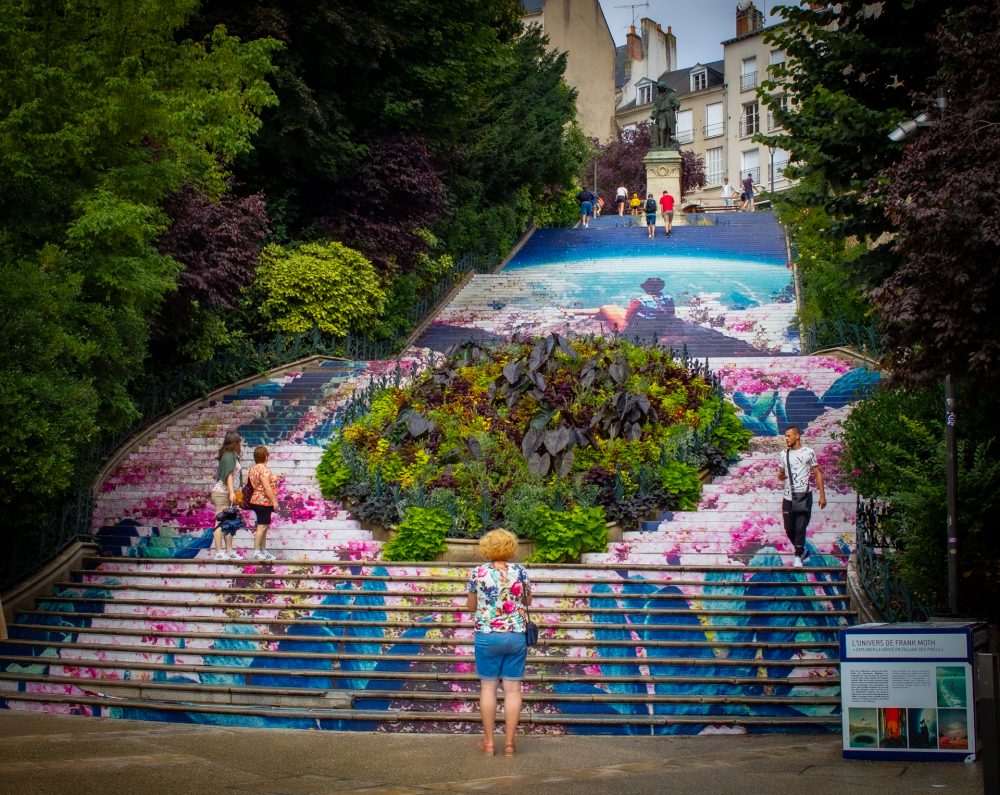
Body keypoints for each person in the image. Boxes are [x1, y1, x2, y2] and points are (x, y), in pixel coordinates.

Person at [466, 529, 532, 757]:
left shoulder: (478, 572)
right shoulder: (520, 571)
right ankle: (510, 745)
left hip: (487, 634)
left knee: (488, 687)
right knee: (513, 689)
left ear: (486, 547)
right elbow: (528, 601)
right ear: (511, 547)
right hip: (515, 635)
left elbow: (471, 606)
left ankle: (489, 743)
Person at [777, 426, 826, 567]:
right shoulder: (783, 454)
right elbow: (781, 473)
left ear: (797, 436)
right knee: (789, 528)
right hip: (788, 497)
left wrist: (822, 496)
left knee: (800, 528)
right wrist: (780, 476)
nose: (786, 438)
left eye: (789, 436)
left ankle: (798, 556)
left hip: (804, 495)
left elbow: (817, 473)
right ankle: (803, 551)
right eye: (785, 436)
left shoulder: (808, 452)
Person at [210, 431, 243, 560]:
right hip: (222, 492)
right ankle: (219, 552)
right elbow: (229, 476)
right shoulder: (229, 456)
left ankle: (229, 551)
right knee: (219, 522)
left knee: (229, 522)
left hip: (225, 492)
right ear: (235, 442)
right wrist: (231, 492)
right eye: (239, 441)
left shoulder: (229, 455)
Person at [247, 445, 279, 561]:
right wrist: (275, 501)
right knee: (262, 526)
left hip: (256, 499)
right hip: (263, 501)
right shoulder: (264, 469)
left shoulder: (253, 468)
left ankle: (263, 550)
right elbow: (266, 486)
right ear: (266, 456)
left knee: (264, 526)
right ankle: (256, 551)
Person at [651, 82, 680, 148]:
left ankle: (667, 144)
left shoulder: (671, 95)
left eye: (661, 88)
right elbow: (655, 106)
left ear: (664, 88)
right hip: (661, 114)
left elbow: (677, 102)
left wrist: (676, 105)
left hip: (669, 113)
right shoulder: (658, 96)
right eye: (659, 88)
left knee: (668, 129)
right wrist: (653, 114)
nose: (660, 89)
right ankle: (661, 144)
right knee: (662, 128)